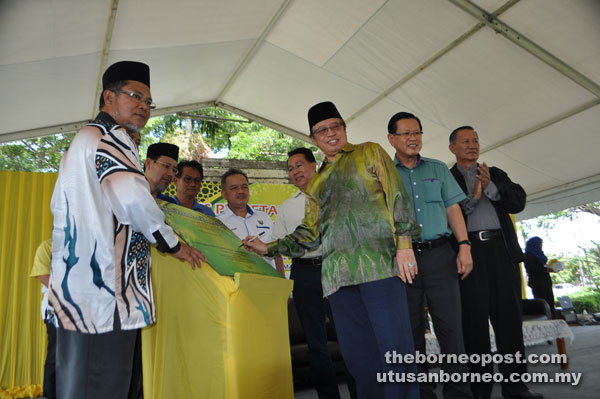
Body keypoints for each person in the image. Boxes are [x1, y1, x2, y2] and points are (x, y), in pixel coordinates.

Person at [48, 60, 205, 399]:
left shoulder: (80, 141)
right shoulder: (112, 137)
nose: (144, 107)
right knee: (105, 384)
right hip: (107, 291)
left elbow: (57, 207)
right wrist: (175, 246)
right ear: (109, 97)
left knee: (77, 383)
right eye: (136, 96)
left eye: (149, 102)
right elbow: (134, 200)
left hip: (77, 290)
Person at [244, 101, 421, 399]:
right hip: (338, 281)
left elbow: (398, 197)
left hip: (380, 268)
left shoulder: (369, 152)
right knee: (360, 361)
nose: (330, 133)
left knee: (395, 351)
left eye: (335, 126)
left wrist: (404, 244)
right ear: (313, 139)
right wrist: (267, 247)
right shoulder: (318, 183)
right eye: (321, 130)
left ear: (344, 128)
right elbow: (310, 234)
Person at [449, 126, 542, 399]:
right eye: (465, 141)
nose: (472, 144)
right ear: (452, 148)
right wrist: (474, 197)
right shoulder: (446, 178)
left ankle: (516, 388)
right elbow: (446, 218)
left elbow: (518, 201)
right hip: (468, 255)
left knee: (510, 323)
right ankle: (480, 390)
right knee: (474, 325)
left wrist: (490, 186)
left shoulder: (495, 173)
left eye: (476, 140)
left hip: (503, 253)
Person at [387, 112, 473, 399]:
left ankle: (458, 392)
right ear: (392, 139)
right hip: (403, 260)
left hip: (440, 256)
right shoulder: (383, 174)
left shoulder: (438, 168)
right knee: (411, 329)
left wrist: (464, 245)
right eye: (406, 133)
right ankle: (422, 392)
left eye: (417, 133)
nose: (413, 138)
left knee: (450, 326)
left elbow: (453, 210)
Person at [273, 147, 355, 399]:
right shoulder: (286, 208)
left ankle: (359, 392)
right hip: (304, 274)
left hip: (335, 267)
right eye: (290, 168)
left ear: (313, 166)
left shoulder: (335, 198)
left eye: (299, 165)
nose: (295, 171)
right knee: (315, 343)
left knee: (348, 336)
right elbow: (277, 246)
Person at [216, 168, 284, 274]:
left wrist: (283, 282)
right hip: (236, 285)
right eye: (234, 188)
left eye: (244, 187)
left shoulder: (264, 217)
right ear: (224, 194)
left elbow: (277, 254)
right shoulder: (218, 223)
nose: (241, 191)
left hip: (268, 282)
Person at [30, 239, 56, 399]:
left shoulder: (83, 245)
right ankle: (50, 395)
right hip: (55, 309)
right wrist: (68, 294)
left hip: (82, 311)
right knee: (56, 352)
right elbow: (42, 274)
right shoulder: (47, 247)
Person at [524, 237, 557, 319]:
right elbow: (533, 268)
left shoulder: (540, 254)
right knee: (542, 303)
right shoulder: (529, 254)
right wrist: (547, 269)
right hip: (538, 283)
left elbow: (542, 266)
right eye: (540, 243)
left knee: (550, 302)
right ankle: (544, 319)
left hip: (545, 281)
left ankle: (552, 319)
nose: (541, 245)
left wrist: (551, 268)